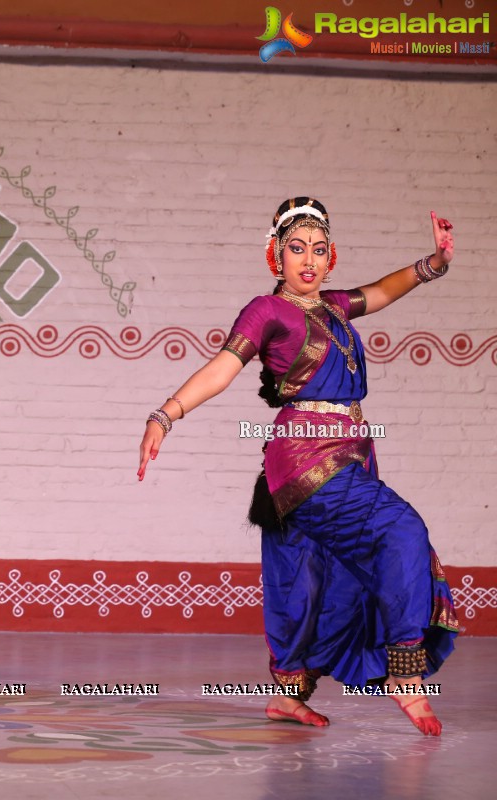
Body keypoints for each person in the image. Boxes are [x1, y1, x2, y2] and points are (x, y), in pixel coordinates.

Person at [136, 197, 459, 736]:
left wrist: (433, 266)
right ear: (275, 256)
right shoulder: (266, 312)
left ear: (331, 258)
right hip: (307, 458)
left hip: (349, 453)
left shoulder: (333, 306)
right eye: (296, 248)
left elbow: (380, 291)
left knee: (304, 576)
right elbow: (221, 370)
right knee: (402, 530)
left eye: (318, 249)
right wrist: (165, 415)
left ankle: (288, 696)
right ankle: (405, 670)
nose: (307, 260)